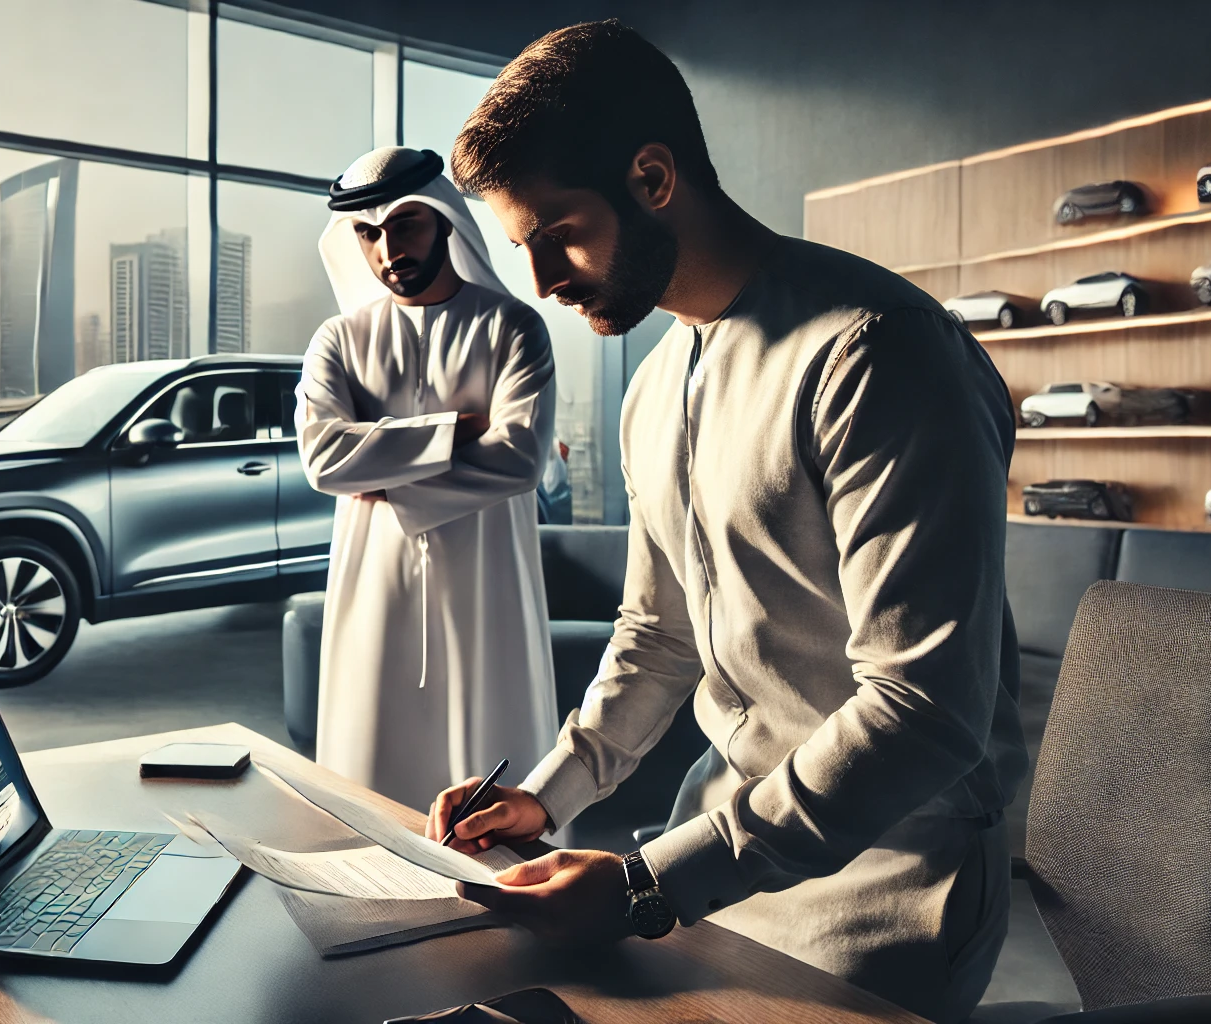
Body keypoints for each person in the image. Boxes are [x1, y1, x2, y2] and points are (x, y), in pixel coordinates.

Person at [424, 22, 1026, 1024]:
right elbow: (657, 638)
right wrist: (546, 795)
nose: (542, 281)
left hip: (883, 900)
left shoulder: (878, 355)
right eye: (522, 248)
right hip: (703, 870)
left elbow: (925, 708)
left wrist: (645, 882)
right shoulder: (652, 387)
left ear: (653, 178)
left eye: (558, 233)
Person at [296, 146, 559, 810]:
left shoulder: (513, 328)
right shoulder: (338, 340)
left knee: (491, 763)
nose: (388, 250)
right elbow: (325, 459)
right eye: (368, 233)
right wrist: (456, 430)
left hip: (487, 580)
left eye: (406, 225)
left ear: (444, 221)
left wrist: (384, 474)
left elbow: (522, 458)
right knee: (368, 776)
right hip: (372, 581)